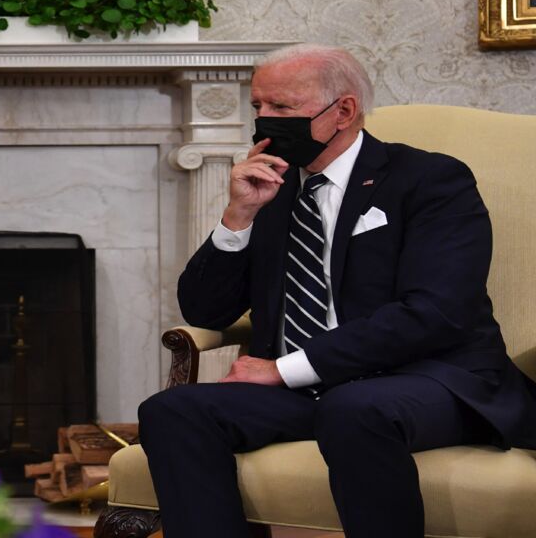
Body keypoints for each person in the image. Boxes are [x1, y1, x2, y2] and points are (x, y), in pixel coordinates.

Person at [138, 44, 536, 537]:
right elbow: (205, 308)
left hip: (429, 380)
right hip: (313, 390)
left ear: (343, 111)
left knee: (355, 408)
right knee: (171, 410)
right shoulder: (272, 188)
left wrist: (284, 369)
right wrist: (237, 216)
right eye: (258, 107)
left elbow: (436, 312)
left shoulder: (431, 180)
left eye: (282, 108)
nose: (265, 121)